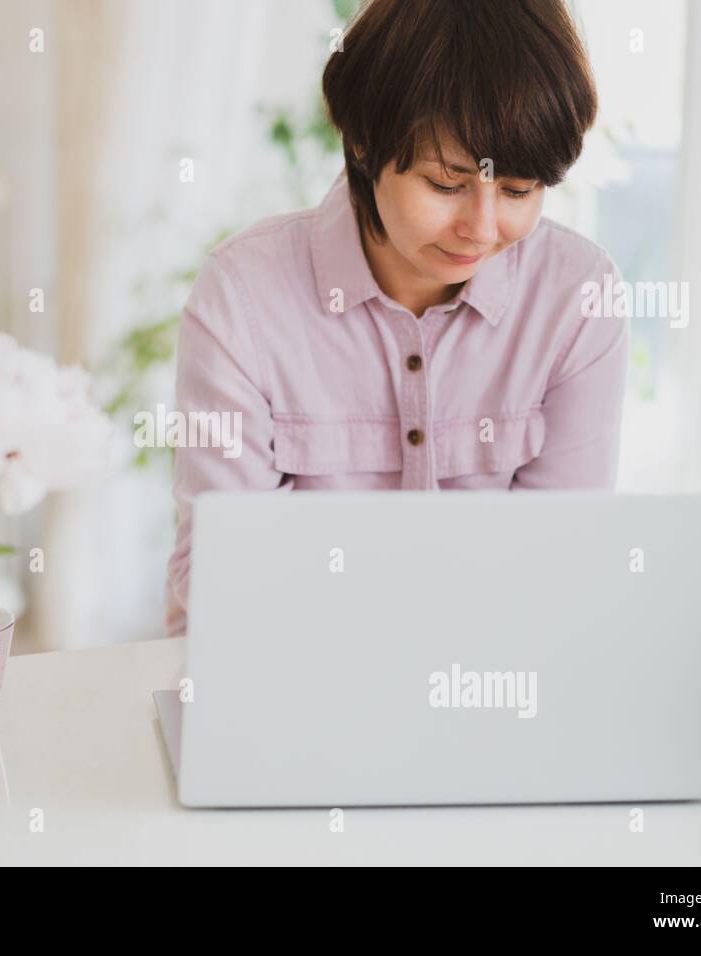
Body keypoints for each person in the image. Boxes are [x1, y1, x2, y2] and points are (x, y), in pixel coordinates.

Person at [165, 0, 630, 637]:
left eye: (519, 191)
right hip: (285, 673)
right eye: (445, 184)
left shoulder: (578, 296)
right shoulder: (245, 293)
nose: (483, 229)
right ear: (362, 142)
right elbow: (222, 576)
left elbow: (563, 565)